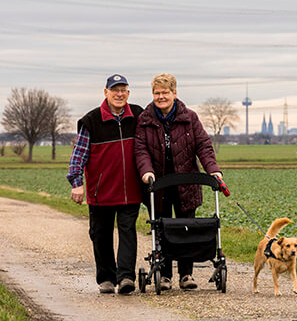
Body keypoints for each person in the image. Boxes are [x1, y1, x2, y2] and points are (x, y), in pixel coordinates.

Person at [135, 73, 224, 291]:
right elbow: (140, 150)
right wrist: (146, 172)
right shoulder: (145, 120)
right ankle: (165, 276)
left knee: (187, 229)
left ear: (175, 93)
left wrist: (213, 170)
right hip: (159, 185)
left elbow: (203, 145)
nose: (161, 96)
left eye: (165, 92)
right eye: (157, 93)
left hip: (187, 183)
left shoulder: (190, 118)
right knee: (163, 229)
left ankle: (186, 274)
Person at [66, 74, 144, 295]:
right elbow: (79, 154)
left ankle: (126, 277)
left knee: (128, 231)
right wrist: (76, 182)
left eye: (123, 90)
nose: (119, 94)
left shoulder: (138, 115)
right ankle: (107, 278)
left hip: (131, 189)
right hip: (102, 191)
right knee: (101, 234)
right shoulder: (91, 121)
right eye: (114, 90)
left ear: (128, 93)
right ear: (106, 92)